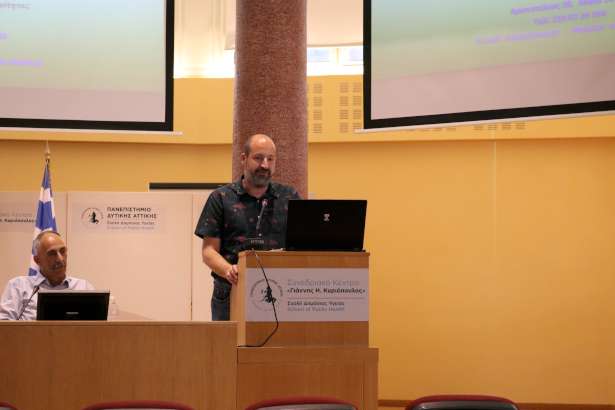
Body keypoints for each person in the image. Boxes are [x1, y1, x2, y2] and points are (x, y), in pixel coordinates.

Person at [195, 134, 300, 320]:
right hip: (231, 290)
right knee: (228, 340)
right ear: (244, 158)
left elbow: (301, 246)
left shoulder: (289, 197)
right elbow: (208, 251)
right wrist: (228, 270)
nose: (265, 165)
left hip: (280, 290)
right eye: (258, 158)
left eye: (270, 159)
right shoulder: (220, 198)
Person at [0, 231, 94, 320]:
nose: (60, 259)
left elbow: (98, 325)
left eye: (62, 251)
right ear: (37, 260)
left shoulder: (83, 287)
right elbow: (4, 325)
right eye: (52, 253)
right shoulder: (19, 286)